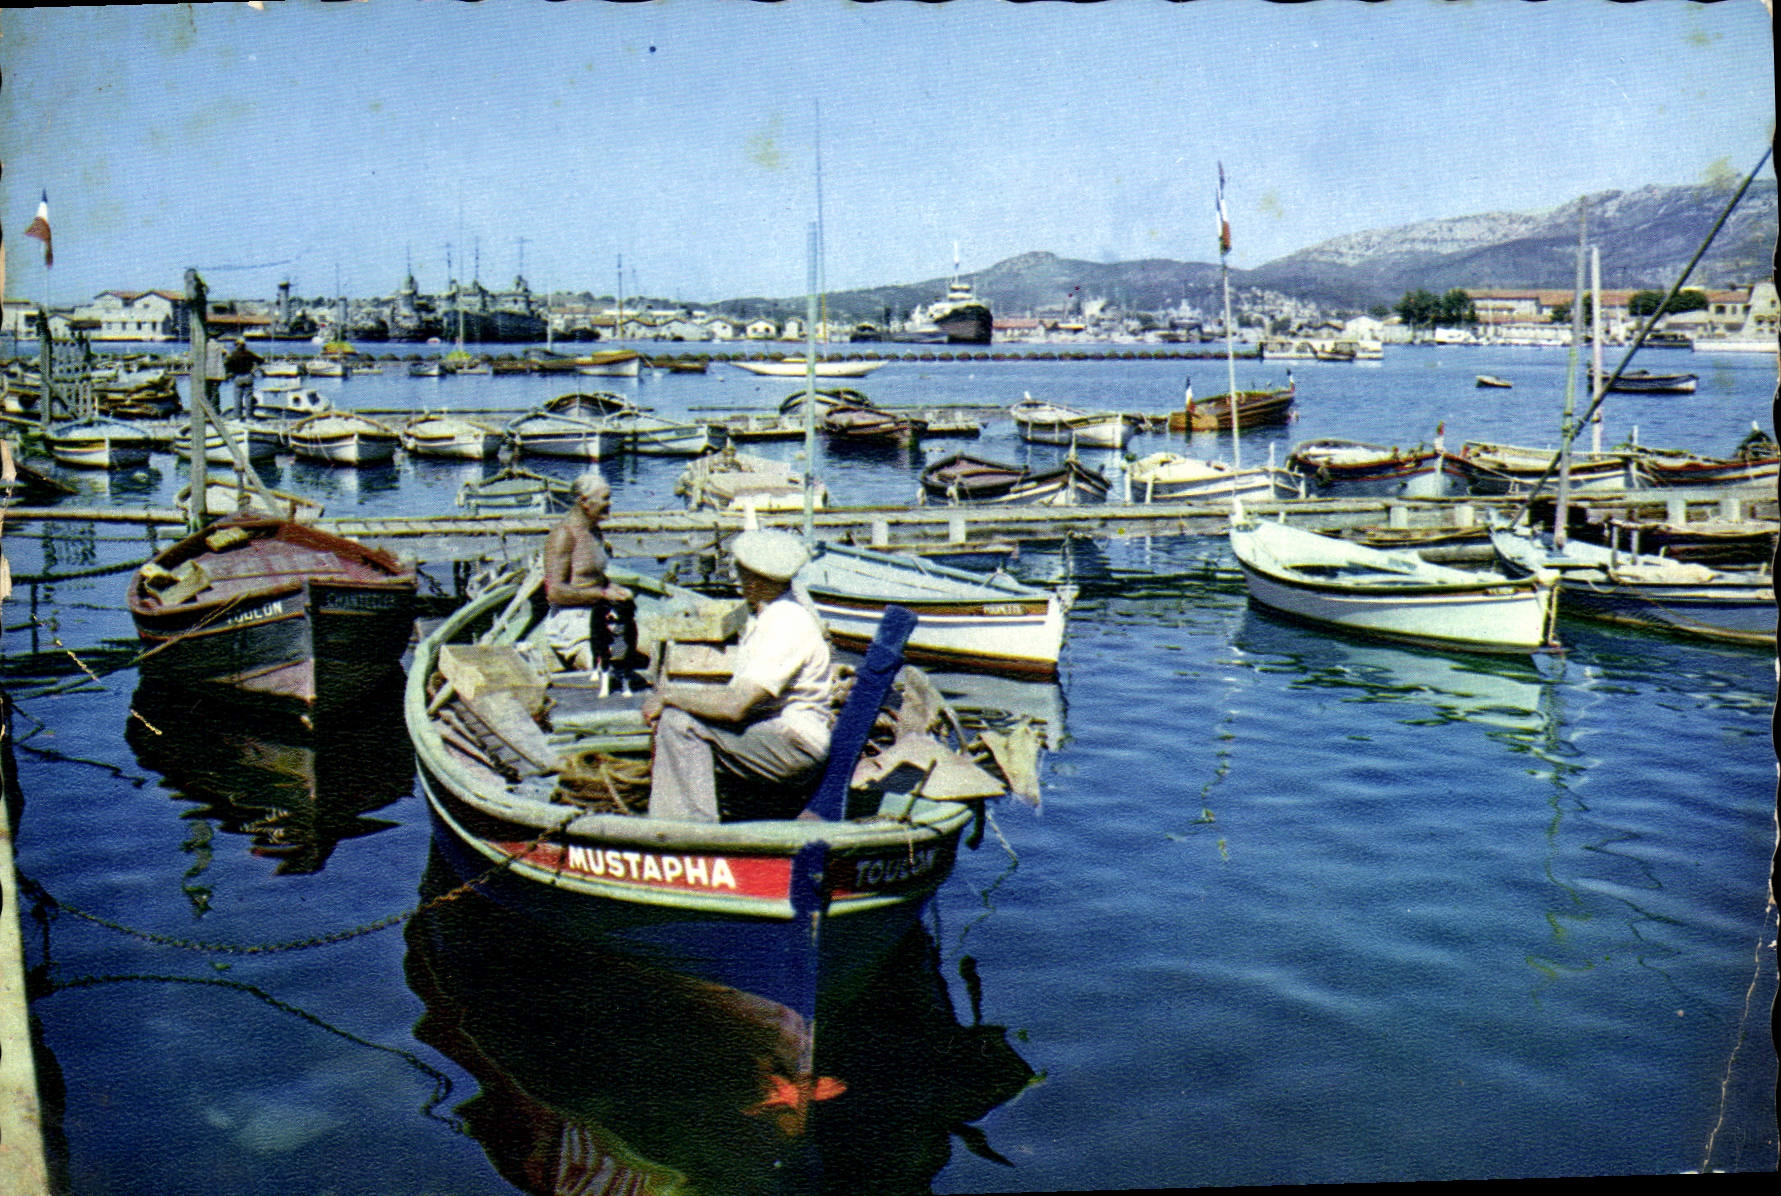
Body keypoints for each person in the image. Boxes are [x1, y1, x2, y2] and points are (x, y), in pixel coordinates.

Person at [640, 529, 833, 822]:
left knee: (678, 723)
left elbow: (735, 707)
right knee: (686, 714)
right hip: (783, 736)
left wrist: (668, 695)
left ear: (754, 583)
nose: (736, 580)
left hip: (794, 745)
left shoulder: (785, 623)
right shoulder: (777, 611)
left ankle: (690, 833)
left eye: (739, 574)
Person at [542, 473, 637, 676]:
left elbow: (594, 577)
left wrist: (611, 587)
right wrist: (602, 594)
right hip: (571, 619)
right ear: (584, 501)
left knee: (645, 652)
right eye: (605, 498)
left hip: (600, 613)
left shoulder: (594, 531)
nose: (610, 504)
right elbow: (555, 593)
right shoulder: (564, 535)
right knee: (604, 667)